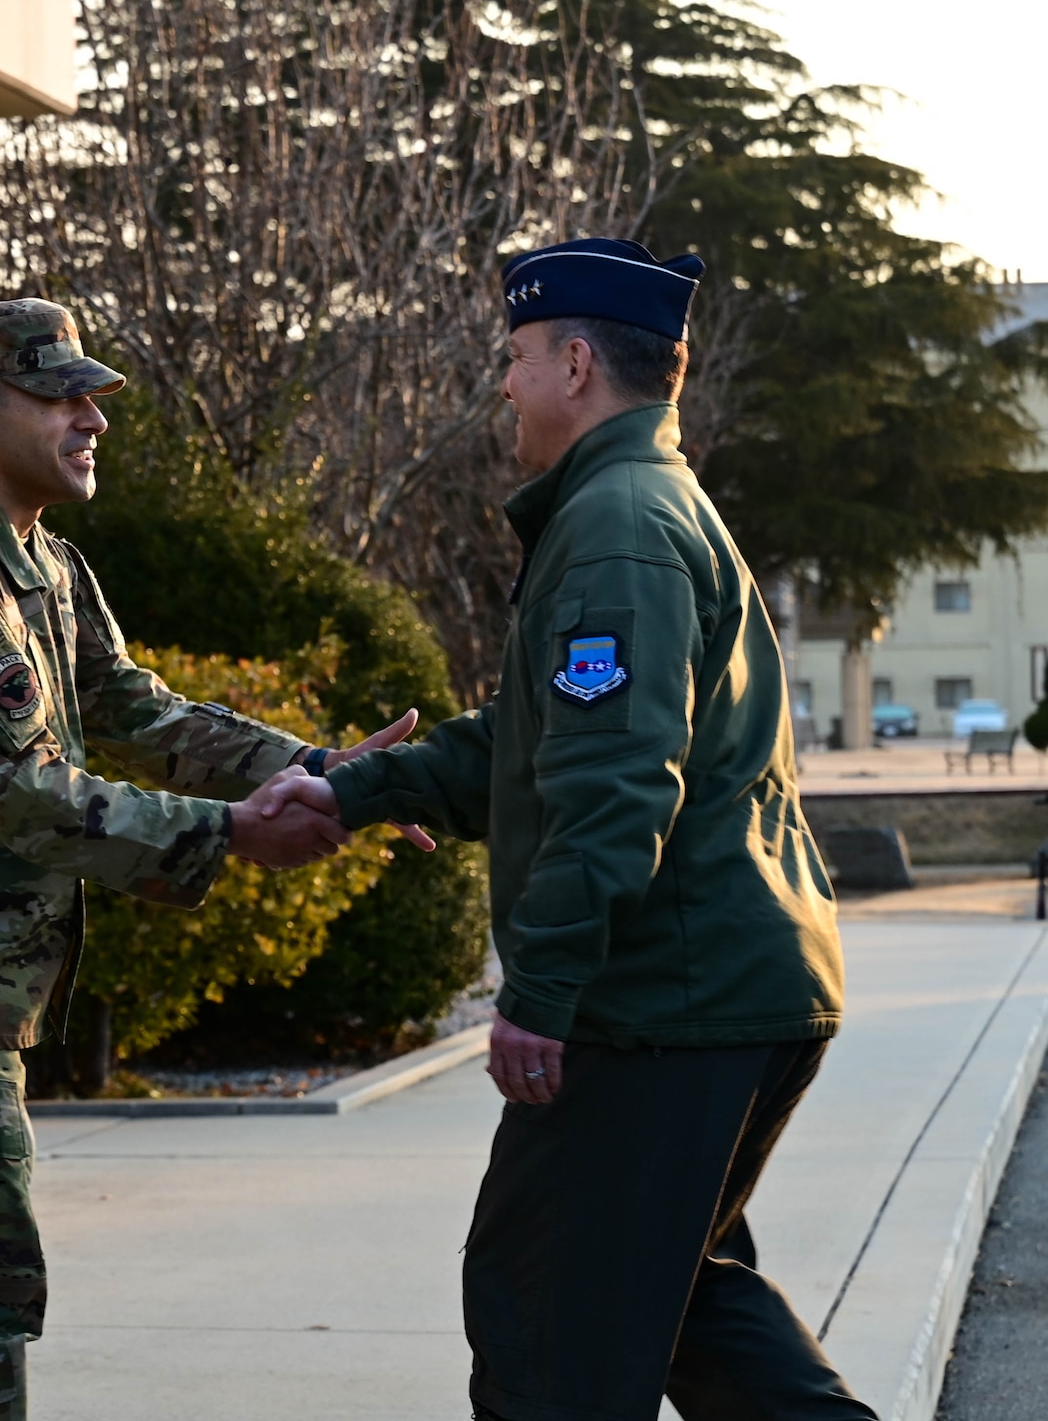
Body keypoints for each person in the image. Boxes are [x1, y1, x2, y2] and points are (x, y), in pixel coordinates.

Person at [264, 238, 873, 1420]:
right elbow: (535, 738)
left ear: (575, 363)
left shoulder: (616, 529)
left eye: (516, 356)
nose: (503, 383)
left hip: (660, 1004)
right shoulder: (633, 507)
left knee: (544, 1320)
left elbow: (611, 785)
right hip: (720, 989)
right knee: (679, 1300)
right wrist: (355, 791)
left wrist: (539, 990)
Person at [0, 298, 428, 1421]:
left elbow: (136, 709)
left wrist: (327, 770)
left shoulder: (39, 562)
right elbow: (27, 795)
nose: (92, 417)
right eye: (62, 397)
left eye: (89, 396)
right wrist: (233, 831)